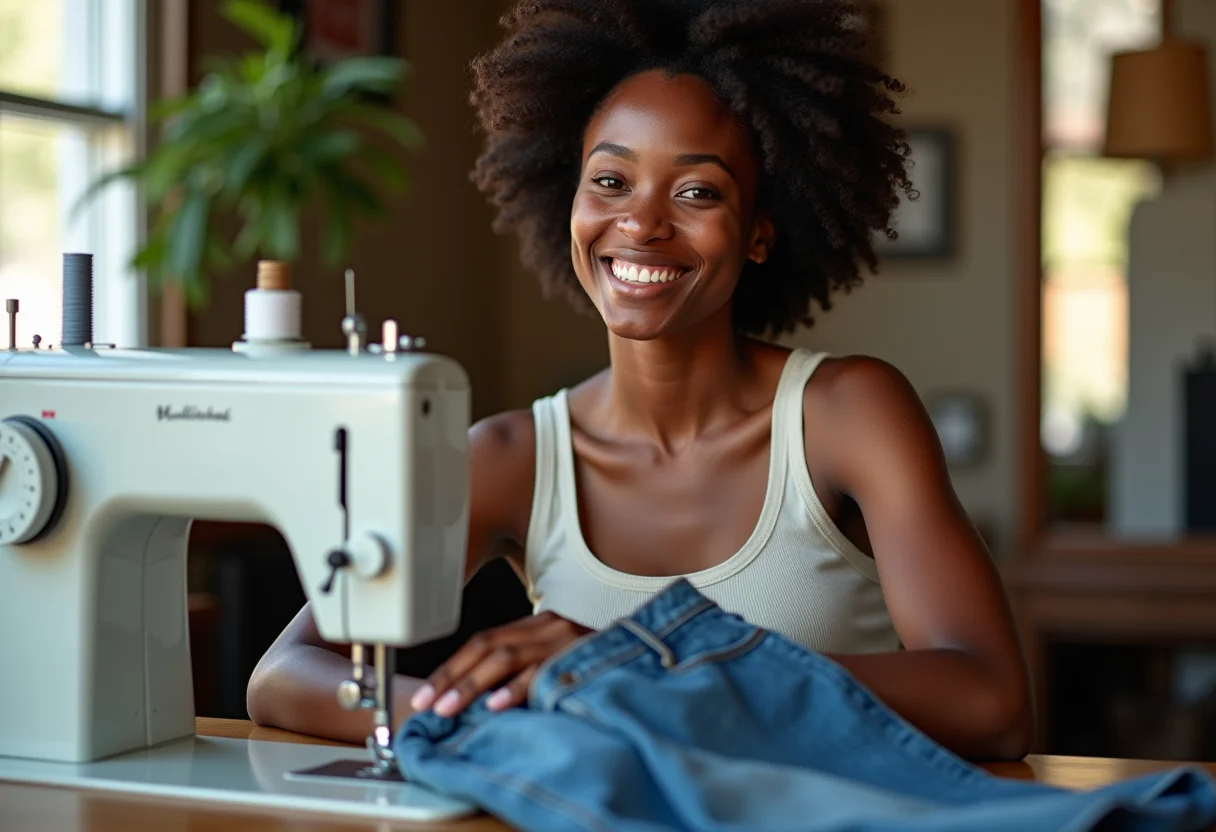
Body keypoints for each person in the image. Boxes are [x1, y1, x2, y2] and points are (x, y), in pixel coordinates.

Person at [247, 0, 1034, 762]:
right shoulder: (513, 457)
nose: (642, 223)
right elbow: (284, 675)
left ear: (759, 233)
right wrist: (480, 718)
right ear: (570, 202)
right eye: (610, 181)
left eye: (697, 192)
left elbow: (992, 703)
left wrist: (649, 667)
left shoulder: (847, 414)